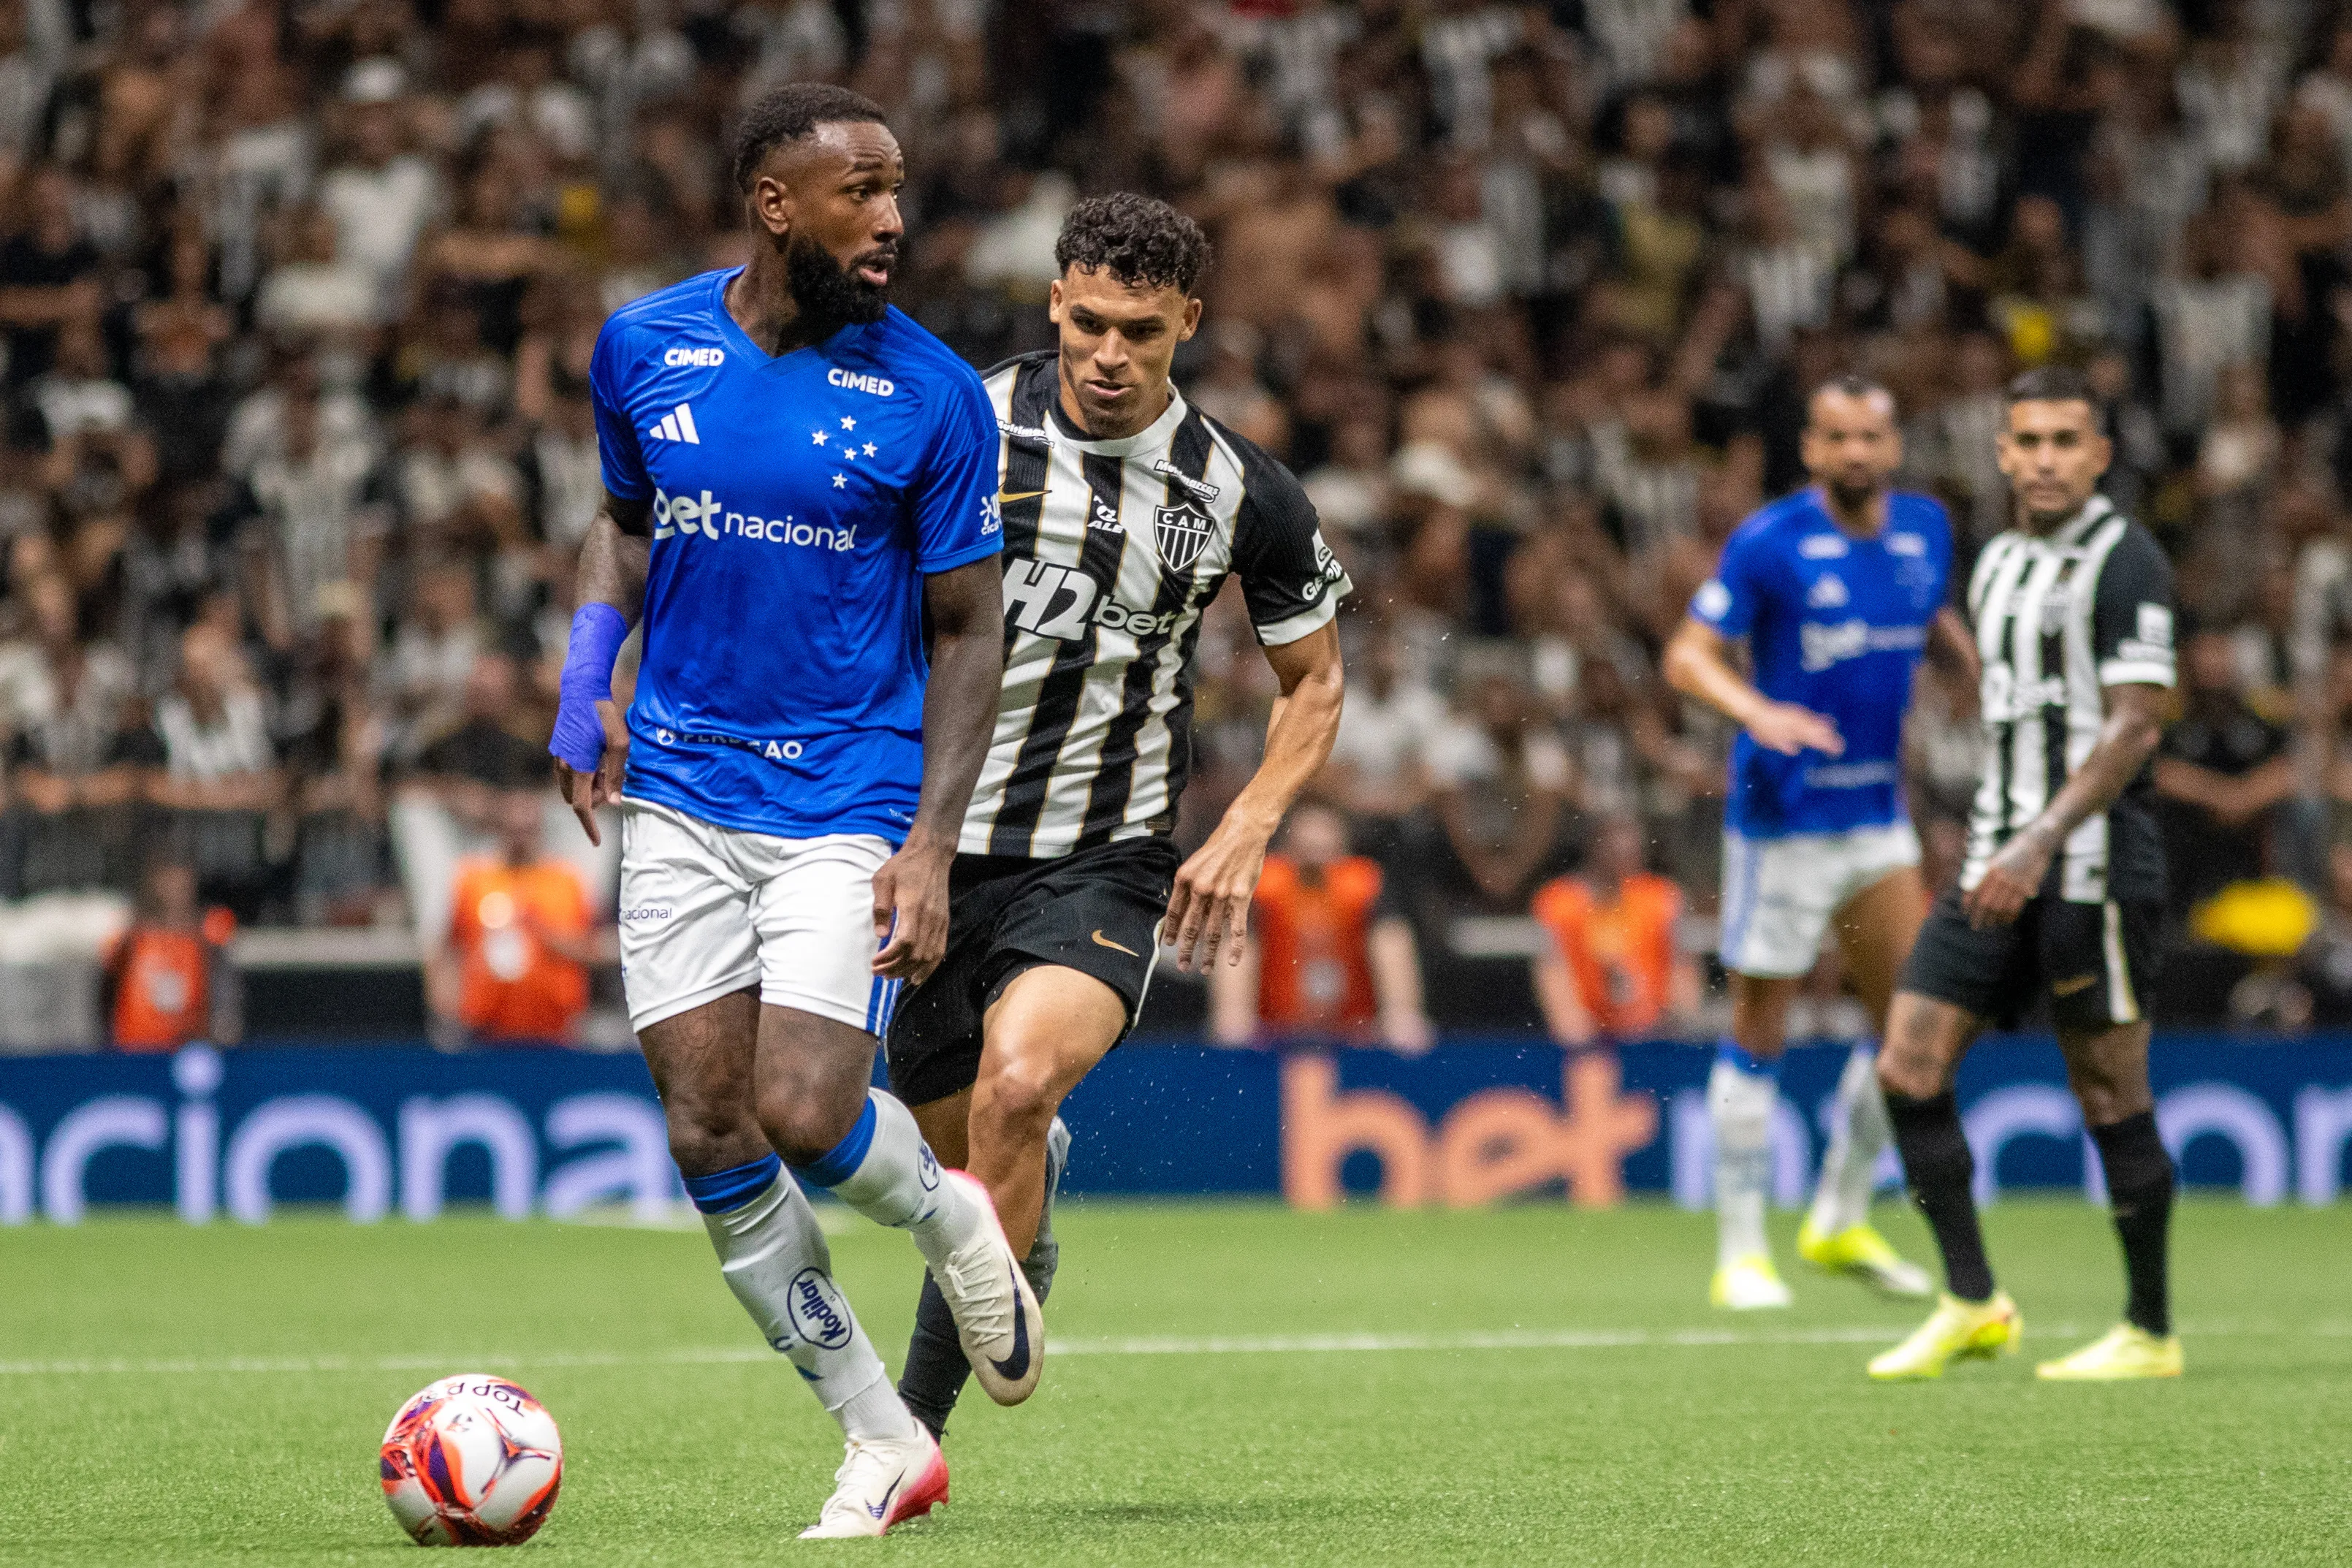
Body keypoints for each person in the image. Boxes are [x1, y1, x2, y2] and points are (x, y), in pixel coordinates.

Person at [546, 84, 1031, 1538]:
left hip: (845, 793)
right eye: (858, 192)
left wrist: (930, 843)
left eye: (898, 191)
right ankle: (881, 1436)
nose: (891, 219)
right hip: (682, 787)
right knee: (707, 1124)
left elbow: (969, 633)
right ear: (774, 204)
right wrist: (586, 682)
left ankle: (954, 1215)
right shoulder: (643, 346)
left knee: (804, 1107)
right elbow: (625, 524)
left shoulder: (932, 393)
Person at [883, 192, 1350, 1445]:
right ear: (1052, 301)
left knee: (1016, 1086)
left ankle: (900, 1445)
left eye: (1139, 332)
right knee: (953, 1150)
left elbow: (1317, 682)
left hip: (1104, 855)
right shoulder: (956, 425)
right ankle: (1018, 1238)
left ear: (1186, 323)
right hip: (934, 849)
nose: (1105, 354)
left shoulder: (1237, 488)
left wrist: (1245, 824)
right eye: (1086, 322)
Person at [1869, 367, 2181, 1382]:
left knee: (2105, 1090)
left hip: (2083, 862)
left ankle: (2146, 1327)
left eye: (2064, 440)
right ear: (2000, 453)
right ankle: (1970, 1299)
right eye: (2027, 441)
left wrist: (2037, 840)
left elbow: (2135, 721)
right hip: (1994, 856)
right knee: (1905, 1066)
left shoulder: (2125, 559)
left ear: (2095, 455)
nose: (2043, 457)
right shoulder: (1996, 560)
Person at [1662, 375, 1971, 1309]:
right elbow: (1686, 655)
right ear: (1811, 449)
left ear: (1895, 444)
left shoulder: (1926, 529)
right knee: (1762, 1030)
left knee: (1912, 1031)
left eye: (1870, 436)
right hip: (1783, 819)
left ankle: (1837, 1215)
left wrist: (1978, 675)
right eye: (1837, 437)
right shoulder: (1771, 542)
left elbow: (1931, 614)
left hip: (1877, 818)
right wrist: (1760, 711)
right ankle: (1741, 1254)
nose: (1855, 454)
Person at [1208, 799, 1432, 1051]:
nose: (1317, 864)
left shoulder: (1364, 885)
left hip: (1354, 1028)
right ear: (1288, 850)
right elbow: (1239, 947)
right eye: (1307, 851)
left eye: (1325, 851)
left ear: (1342, 851)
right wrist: (1233, 1011)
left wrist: (1401, 1011)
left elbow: (1391, 945)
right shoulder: (1265, 885)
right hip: (1274, 1032)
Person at [428, 785, 610, 1045]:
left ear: (539, 829)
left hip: (557, 1030)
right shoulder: (473, 879)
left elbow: (594, 949)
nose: (520, 838)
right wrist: (444, 1003)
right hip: (485, 1030)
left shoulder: (566, 881)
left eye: (526, 829)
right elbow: (446, 946)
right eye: (512, 829)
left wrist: (541, 931)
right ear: (499, 829)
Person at [1531, 813, 1698, 1045]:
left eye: (1631, 844)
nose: (1625, 851)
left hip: (1655, 1033)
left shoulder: (1662, 897)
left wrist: (1677, 1027)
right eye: (1614, 844)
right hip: (1589, 1037)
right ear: (1593, 847)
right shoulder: (1560, 902)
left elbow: (1682, 968)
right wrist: (1578, 1036)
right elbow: (1553, 972)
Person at [107, 848, 239, 1050]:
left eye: (182, 879)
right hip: (133, 1052)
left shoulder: (208, 934)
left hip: (189, 1052)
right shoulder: (131, 934)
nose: (176, 887)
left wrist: (224, 1031)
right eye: (168, 879)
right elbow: (107, 993)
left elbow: (225, 994)